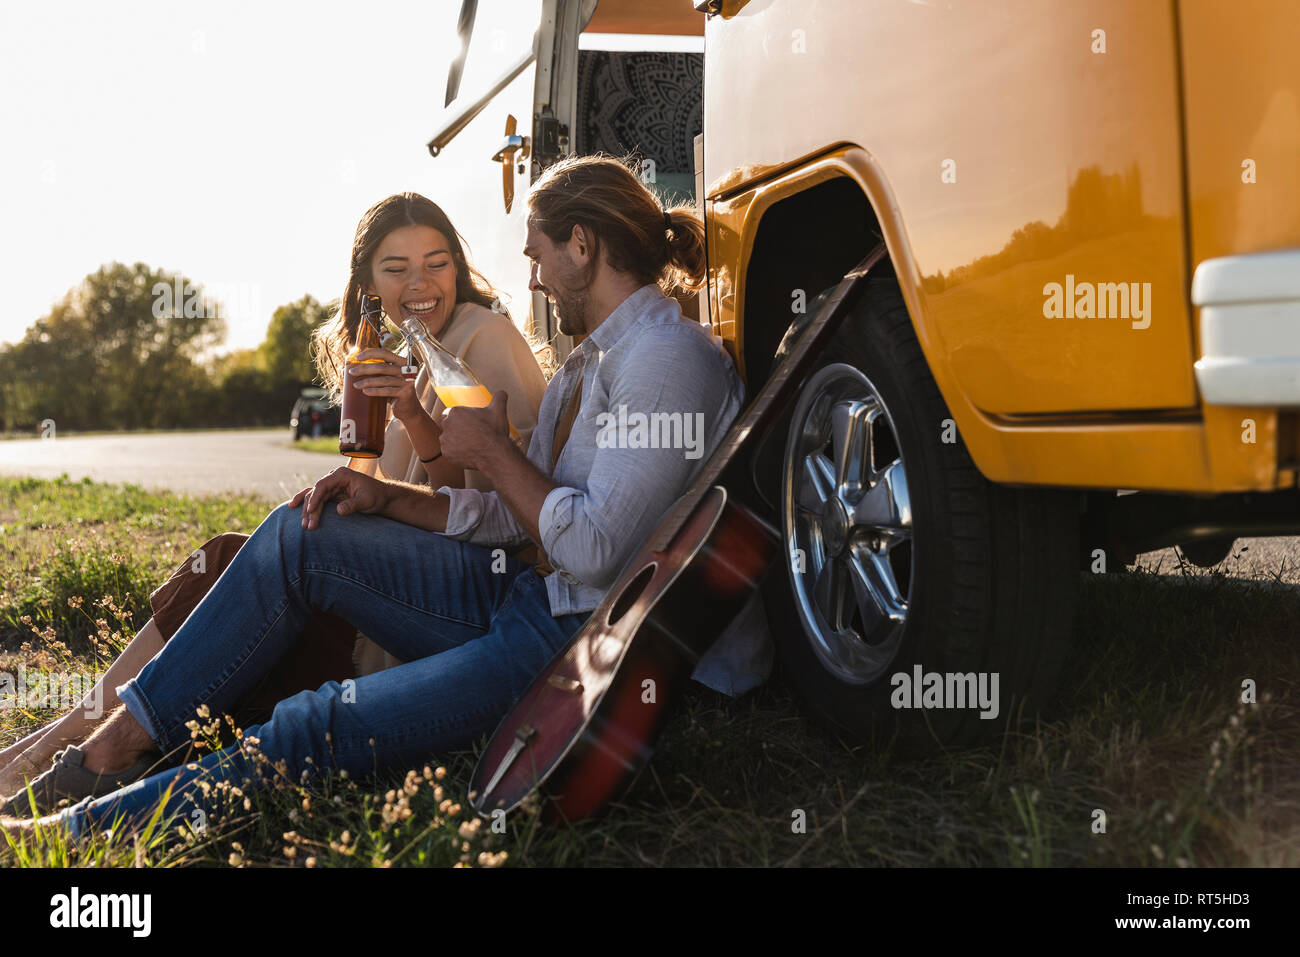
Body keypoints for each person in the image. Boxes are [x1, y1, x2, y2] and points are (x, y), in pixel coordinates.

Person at [0, 153, 767, 842]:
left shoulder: (667, 364)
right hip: (526, 589)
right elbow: (513, 517)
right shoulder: (585, 364)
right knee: (301, 530)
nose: (530, 276)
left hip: (575, 637)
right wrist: (385, 497)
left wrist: (494, 452)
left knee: (314, 722)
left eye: (536, 255)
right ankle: (111, 744)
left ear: (583, 245)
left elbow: (598, 551)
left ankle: (83, 827)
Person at [0, 192, 548, 809]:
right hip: (386, 592)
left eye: (437, 262)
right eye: (396, 268)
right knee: (228, 561)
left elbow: (496, 514)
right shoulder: (404, 353)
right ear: (367, 282)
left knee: (240, 576)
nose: (420, 283)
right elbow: (370, 488)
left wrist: (411, 418)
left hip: (442, 614)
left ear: (458, 268)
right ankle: (50, 747)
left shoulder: (482, 340)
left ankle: (66, 755)